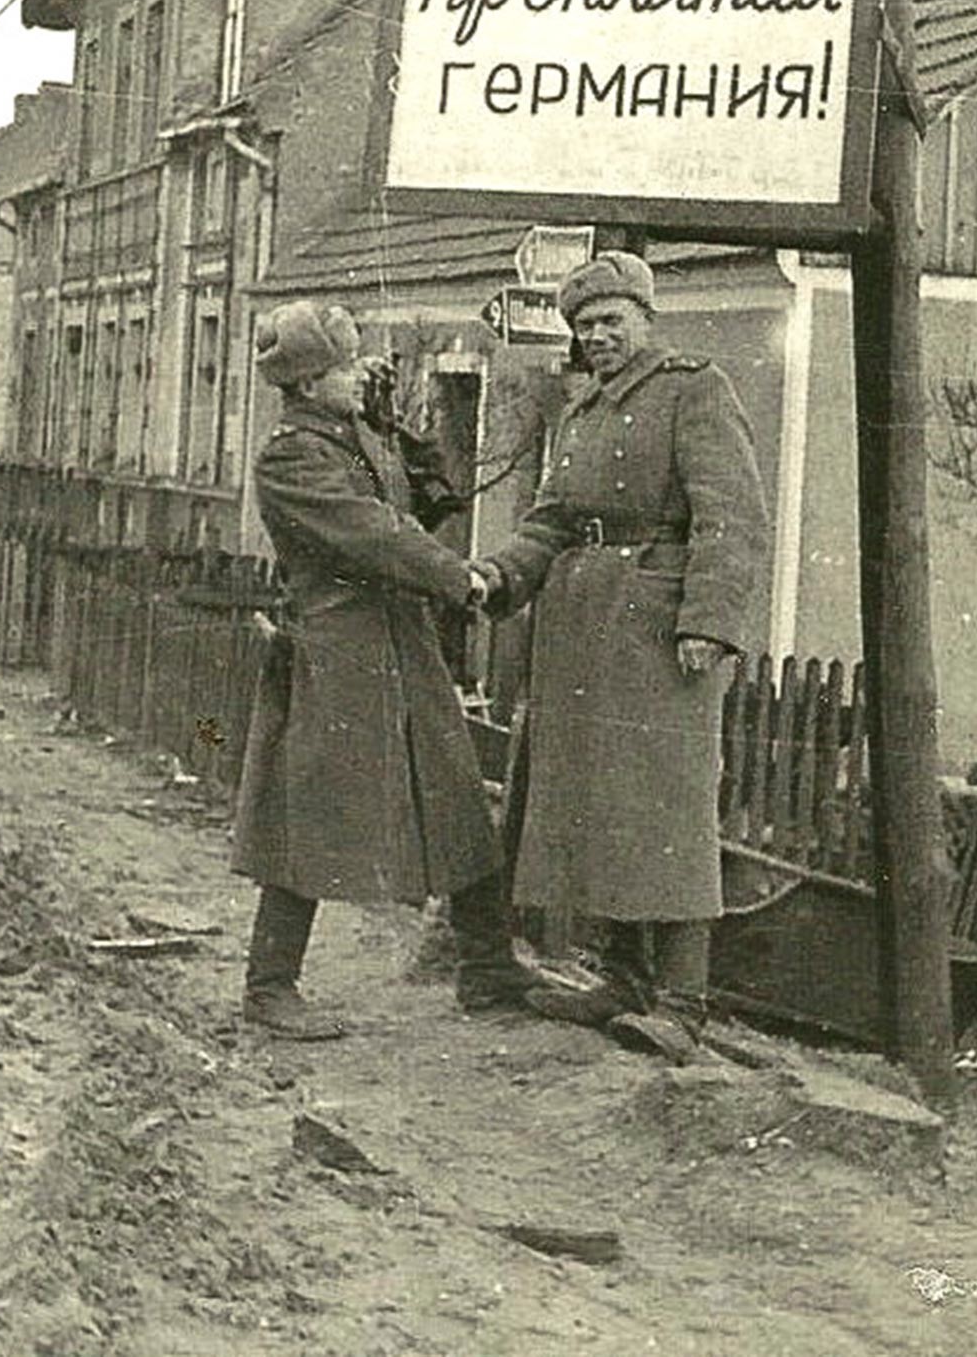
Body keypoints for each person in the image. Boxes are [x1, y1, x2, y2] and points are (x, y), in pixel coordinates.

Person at [473, 252, 768, 1043]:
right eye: (584, 325)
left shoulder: (693, 388)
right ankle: (618, 974)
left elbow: (732, 516)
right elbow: (551, 519)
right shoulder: (583, 410)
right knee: (594, 802)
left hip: (660, 631)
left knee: (665, 806)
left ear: (645, 317)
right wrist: (499, 573)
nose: (597, 336)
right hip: (581, 629)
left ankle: (682, 1003)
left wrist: (707, 620)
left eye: (611, 320)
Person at [232, 299, 545, 1040]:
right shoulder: (292, 455)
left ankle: (488, 965)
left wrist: (389, 417)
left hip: (400, 644)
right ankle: (269, 986)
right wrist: (457, 578)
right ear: (308, 383)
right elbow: (375, 534)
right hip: (340, 652)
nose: (357, 371)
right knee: (310, 817)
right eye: (343, 366)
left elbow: (435, 496)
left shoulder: (352, 436)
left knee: (457, 795)